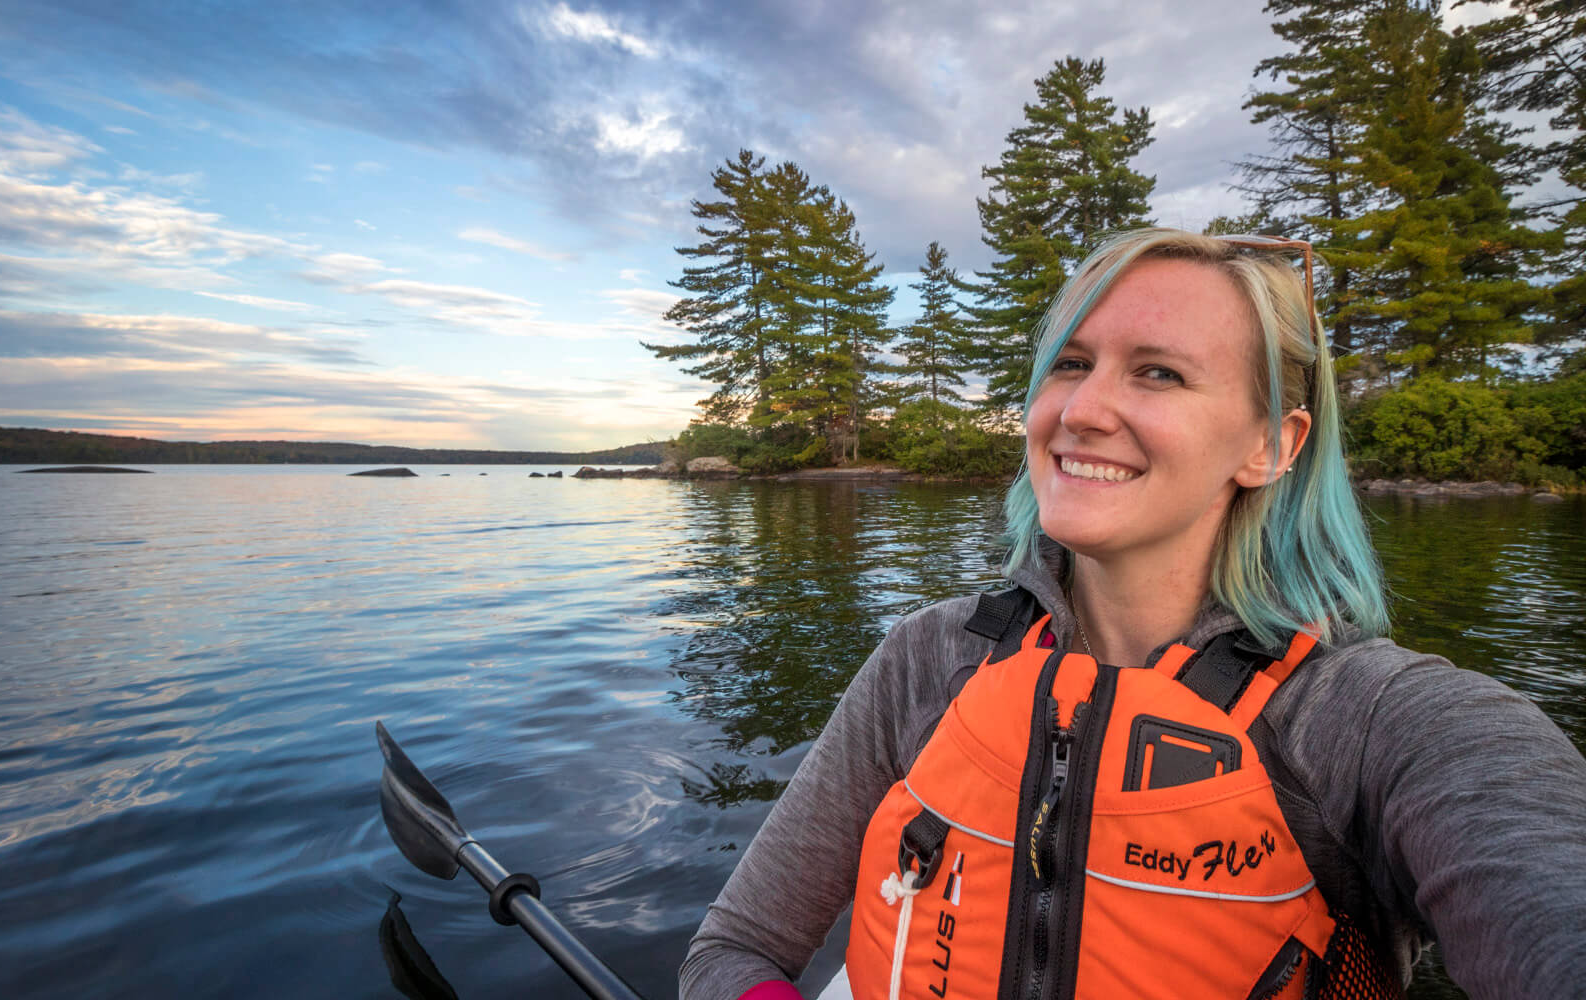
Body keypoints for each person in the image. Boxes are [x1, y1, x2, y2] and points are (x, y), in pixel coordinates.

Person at [678, 228, 1586, 1000]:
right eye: (1070, 364)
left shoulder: (1384, 725)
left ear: (1273, 444)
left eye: (1157, 373)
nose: (1083, 408)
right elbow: (733, 951)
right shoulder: (929, 657)